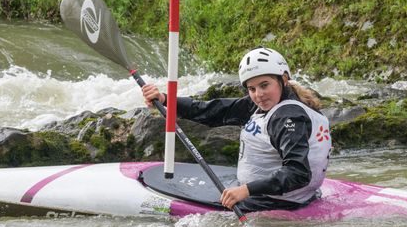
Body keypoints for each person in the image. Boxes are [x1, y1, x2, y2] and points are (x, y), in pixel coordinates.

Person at [141, 47, 331, 213]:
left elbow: (298, 174)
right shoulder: (269, 103)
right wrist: (165, 99)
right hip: (299, 196)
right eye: (252, 88)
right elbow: (213, 111)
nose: (259, 94)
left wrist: (246, 190)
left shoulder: (288, 117)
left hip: (275, 202)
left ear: (283, 79)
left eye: (265, 85)